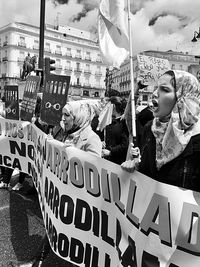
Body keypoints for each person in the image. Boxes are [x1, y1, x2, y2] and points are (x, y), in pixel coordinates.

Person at [11, 100, 102, 267]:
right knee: (53, 228)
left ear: (78, 118)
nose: (63, 118)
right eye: (63, 114)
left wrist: (70, 154)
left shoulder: (92, 139)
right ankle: (37, 262)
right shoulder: (68, 133)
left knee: (76, 241)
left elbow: (94, 173)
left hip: (78, 202)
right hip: (62, 195)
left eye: (67, 115)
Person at [121, 70, 200, 191]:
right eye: (157, 88)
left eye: (165, 90)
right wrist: (135, 166)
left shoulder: (197, 138)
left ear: (183, 97)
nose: (154, 93)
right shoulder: (150, 128)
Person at [102, 96, 129, 165]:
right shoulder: (110, 121)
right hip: (107, 161)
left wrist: (111, 151)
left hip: (118, 162)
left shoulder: (124, 123)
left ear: (113, 106)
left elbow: (125, 144)